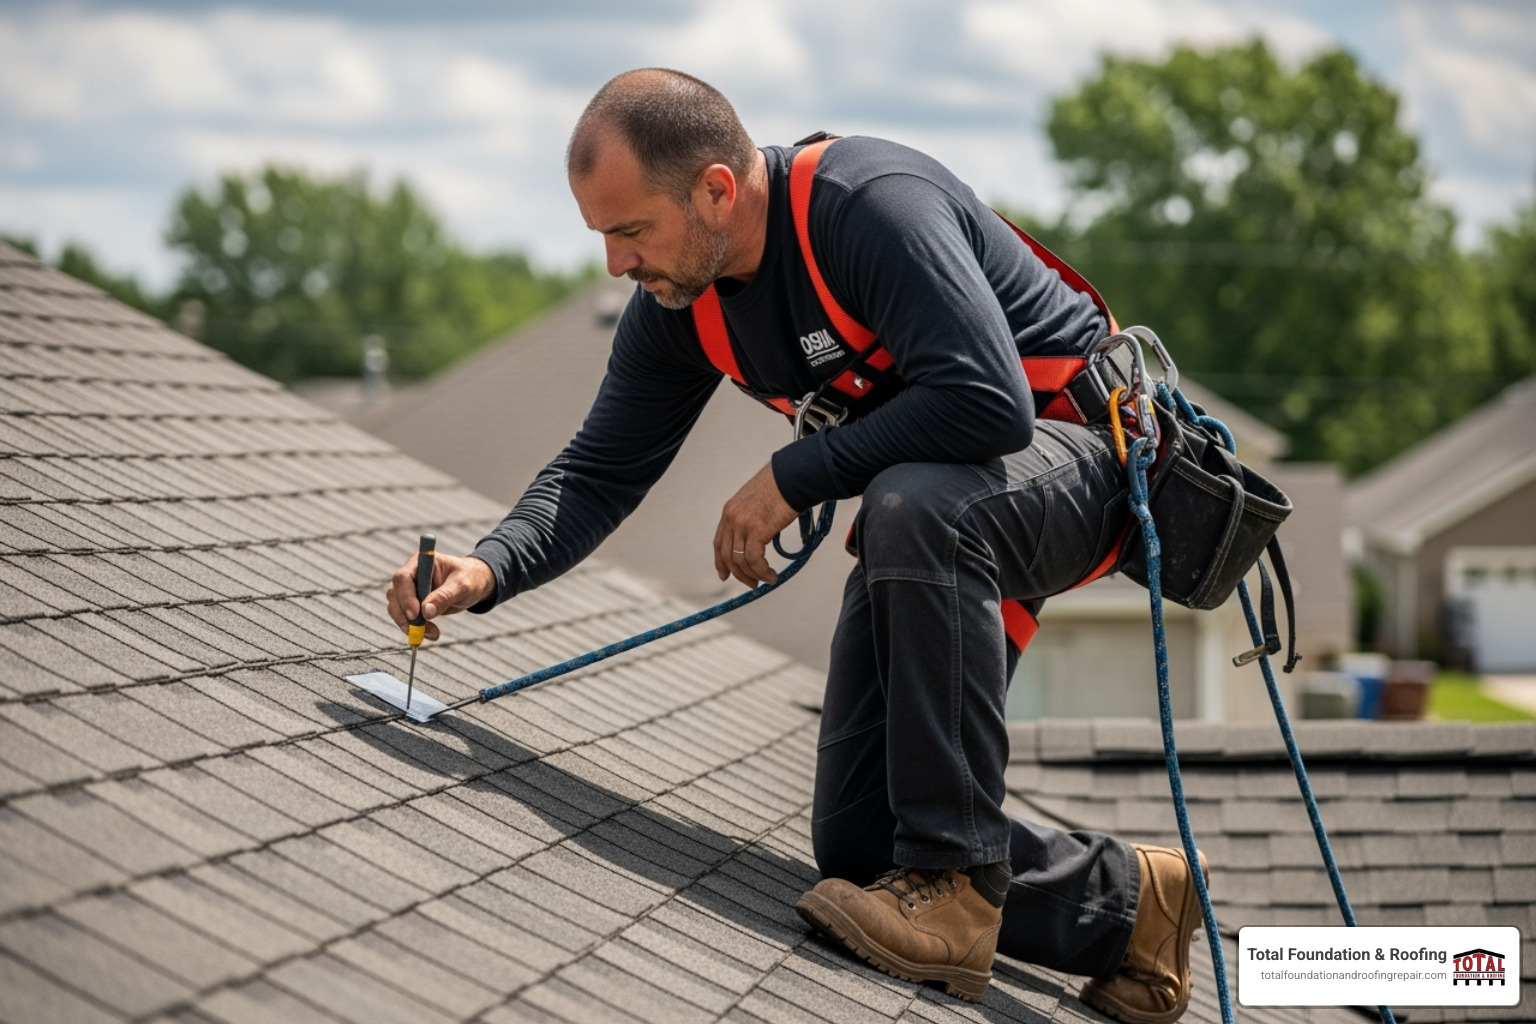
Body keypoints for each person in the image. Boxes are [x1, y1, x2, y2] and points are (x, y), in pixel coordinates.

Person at [387, 68, 1204, 1022]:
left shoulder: (867, 208)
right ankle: (1131, 906)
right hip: (955, 509)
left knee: (908, 503)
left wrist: (791, 477)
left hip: (1093, 465)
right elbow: (601, 468)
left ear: (716, 191)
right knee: (862, 845)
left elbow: (988, 402)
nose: (616, 264)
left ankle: (959, 893)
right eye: (602, 235)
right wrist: (486, 569)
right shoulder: (681, 306)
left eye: (629, 230)